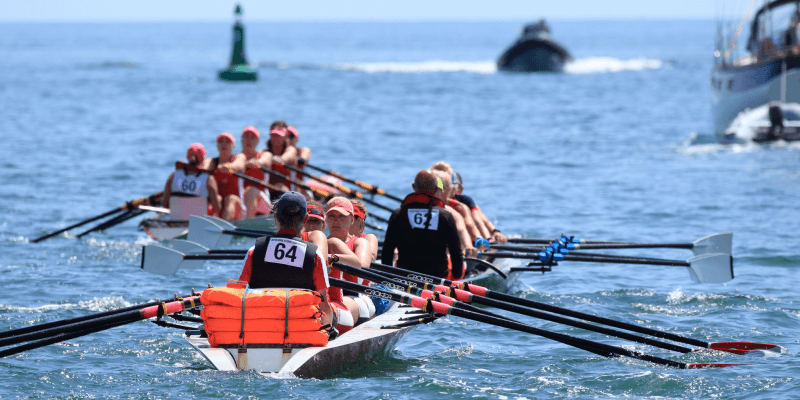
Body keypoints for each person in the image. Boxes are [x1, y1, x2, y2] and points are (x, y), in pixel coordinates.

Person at [236, 192, 334, 328]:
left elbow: (237, 293)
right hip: (300, 329)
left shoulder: (254, 251)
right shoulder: (315, 255)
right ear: (305, 219)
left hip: (262, 327)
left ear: (276, 217)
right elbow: (323, 304)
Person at [381, 169, 464, 280]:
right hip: (438, 278)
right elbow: (456, 252)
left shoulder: (398, 214)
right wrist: (457, 277)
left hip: (405, 276)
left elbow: (387, 251)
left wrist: (388, 280)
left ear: (413, 186)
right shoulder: (445, 216)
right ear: (436, 189)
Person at [325, 197, 375, 327]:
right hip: (329, 299)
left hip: (357, 299)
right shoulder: (321, 242)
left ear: (351, 220)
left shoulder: (360, 242)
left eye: (341, 216)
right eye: (331, 216)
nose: (335, 221)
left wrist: (331, 257)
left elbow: (361, 268)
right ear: (325, 220)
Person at [162, 143, 222, 219]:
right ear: (202, 159)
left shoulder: (173, 176)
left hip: (176, 220)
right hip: (198, 222)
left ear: (187, 156)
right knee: (218, 198)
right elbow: (217, 208)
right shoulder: (209, 179)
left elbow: (165, 204)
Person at [451, 170, 508, 245]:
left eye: (450, 187)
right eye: (442, 187)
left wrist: (494, 233)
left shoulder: (466, 203)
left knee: (475, 211)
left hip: (471, 241)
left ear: (460, 189)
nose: (445, 190)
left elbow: (481, 221)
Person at [203, 132, 246, 220]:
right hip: (218, 205)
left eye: (228, 142)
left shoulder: (240, 157)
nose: (224, 144)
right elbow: (203, 168)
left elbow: (239, 165)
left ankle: (223, 226)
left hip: (238, 207)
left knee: (231, 198)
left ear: (233, 146)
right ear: (217, 146)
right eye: (221, 141)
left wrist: (229, 167)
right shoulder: (211, 162)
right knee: (216, 198)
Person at [236, 126, 272, 219]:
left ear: (257, 141)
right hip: (241, 198)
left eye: (253, 137)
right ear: (241, 140)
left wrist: (257, 162)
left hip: (262, 200)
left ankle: (247, 223)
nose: (249, 140)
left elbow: (265, 160)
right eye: (246, 137)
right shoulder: (236, 158)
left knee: (251, 190)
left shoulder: (265, 154)